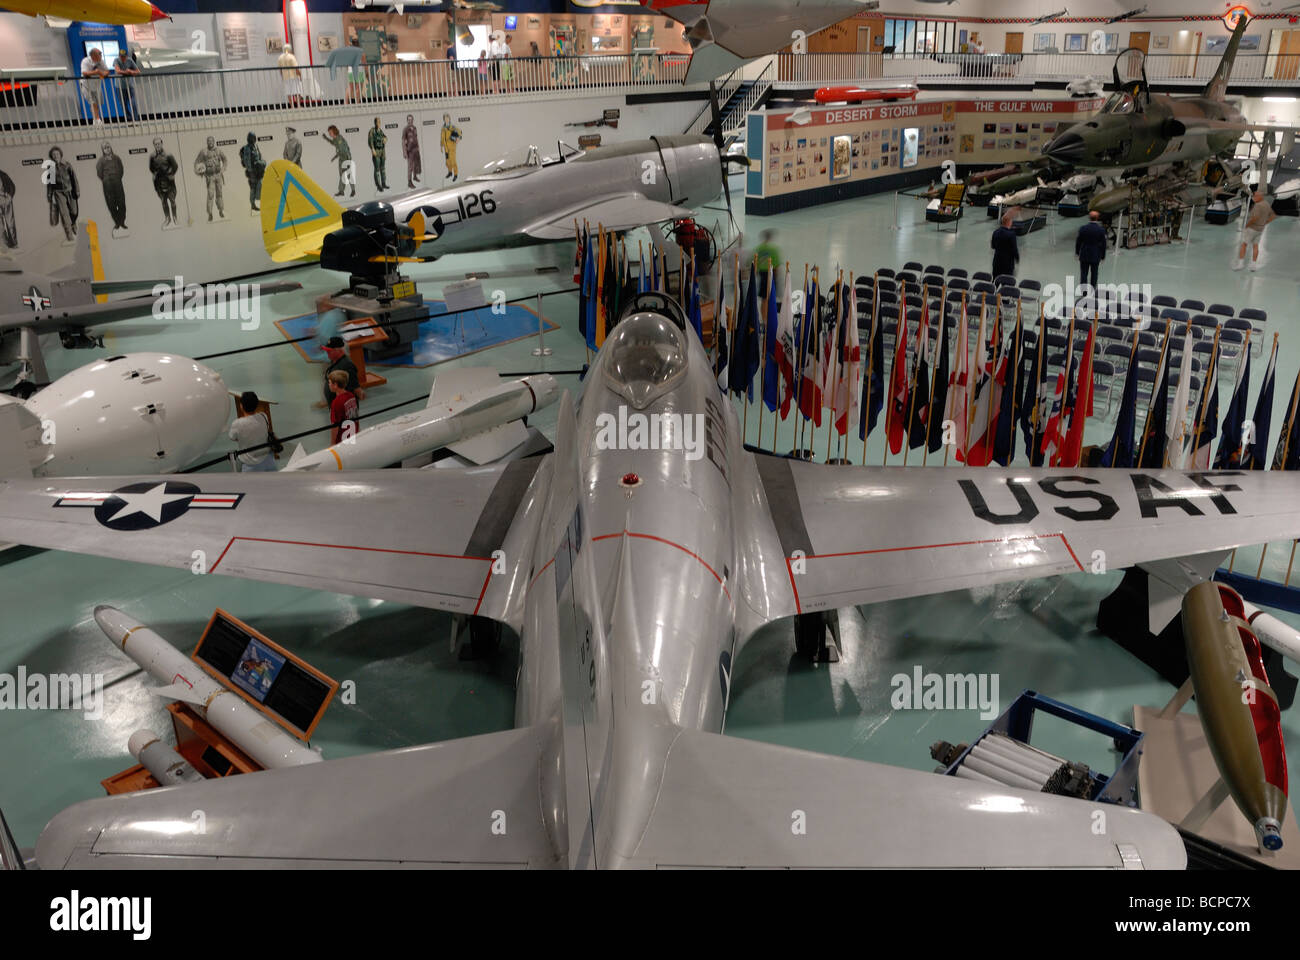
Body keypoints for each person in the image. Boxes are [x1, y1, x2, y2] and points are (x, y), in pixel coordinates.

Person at [230, 391, 277, 472]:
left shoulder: (237, 424)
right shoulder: (263, 416)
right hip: (268, 459)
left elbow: (232, 437)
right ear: (256, 404)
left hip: (250, 464)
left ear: (241, 406)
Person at [316, 335, 363, 408]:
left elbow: (356, 388)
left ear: (339, 350)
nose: (327, 353)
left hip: (344, 408)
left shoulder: (347, 365)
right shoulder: (334, 361)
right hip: (336, 406)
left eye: (329, 351)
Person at [1235, 191, 1276, 271]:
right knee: (1255, 246)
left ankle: (1240, 264)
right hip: (1260, 229)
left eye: (1256, 196)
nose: (1254, 197)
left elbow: (1255, 217)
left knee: (1244, 244)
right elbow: (1273, 216)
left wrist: (1247, 225)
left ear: (1261, 197)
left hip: (1252, 228)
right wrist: (1265, 223)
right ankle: (1253, 266)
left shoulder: (1258, 205)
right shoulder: (1266, 204)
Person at [46, 146, 79, 240]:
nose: (56, 156)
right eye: (53, 155)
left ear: (60, 154)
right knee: (64, 214)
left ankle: (73, 223)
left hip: (70, 190)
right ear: (52, 157)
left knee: (74, 211)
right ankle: (69, 234)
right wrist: (49, 194)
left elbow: (74, 179)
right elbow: (50, 184)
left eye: (57, 154)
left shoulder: (67, 165)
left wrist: (77, 190)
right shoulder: (51, 168)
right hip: (58, 193)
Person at [95, 141, 127, 232]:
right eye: (105, 148)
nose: (107, 149)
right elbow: (99, 173)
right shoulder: (101, 161)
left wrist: (116, 178)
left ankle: (122, 222)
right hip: (107, 185)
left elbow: (121, 170)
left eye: (108, 147)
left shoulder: (117, 158)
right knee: (111, 204)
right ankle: (117, 223)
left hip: (118, 183)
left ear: (111, 147)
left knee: (121, 202)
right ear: (103, 150)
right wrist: (106, 180)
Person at [194, 135, 226, 221]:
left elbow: (225, 160)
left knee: (219, 194)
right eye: (208, 141)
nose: (210, 142)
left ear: (214, 141)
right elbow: (197, 162)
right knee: (210, 195)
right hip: (210, 177)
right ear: (207, 142)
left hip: (218, 176)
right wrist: (199, 172)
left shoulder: (219, 151)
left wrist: (223, 170)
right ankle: (210, 213)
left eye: (211, 141)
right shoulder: (203, 152)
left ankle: (221, 210)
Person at [148, 137, 179, 227]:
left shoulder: (168, 154)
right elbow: (151, 168)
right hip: (159, 182)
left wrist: (171, 174)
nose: (157, 145)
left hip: (169, 181)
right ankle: (167, 219)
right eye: (155, 144)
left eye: (159, 143)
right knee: (163, 201)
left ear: (162, 144)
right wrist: (155, 174)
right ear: (154, 145)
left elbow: (175, 166)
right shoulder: (152, 156)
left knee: (172, 201)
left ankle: (175, 218)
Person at [1075, 210, 1107, 293]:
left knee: (1084, 273)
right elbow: (1103, 244)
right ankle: (1092, 291)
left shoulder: (1083, 229)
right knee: (1094, 274)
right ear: (1097, 218)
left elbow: (1078, 241)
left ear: (1089, 218)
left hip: (1084, 254)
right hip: (1095, 255)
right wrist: (1103, 256)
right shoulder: (1101, 230)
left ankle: (1084, 292)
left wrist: (1077, 252)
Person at [327, 369, 359, 445]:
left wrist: (332, 443)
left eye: (329, 382)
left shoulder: (336, 403)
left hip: (343, 441)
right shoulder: (351, 396)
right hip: (354, 435)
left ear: (335, 385)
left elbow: (335, 426)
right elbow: (356, 416)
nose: (328, 385)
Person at [79, 47, 110, 124]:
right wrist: (96, 72)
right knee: (92, 102)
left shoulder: (101, 61)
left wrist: (102, 73)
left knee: (98, 102)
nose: (101, 56)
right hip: (86, 85)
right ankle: (97, 119)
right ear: (93, 55)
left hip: (96, 85)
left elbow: (107, 71)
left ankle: (95, 119)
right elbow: (84, 73)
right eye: (99, 54)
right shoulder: (85, 61)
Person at [323, 125, 354, 197]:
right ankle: (341, 191)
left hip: (346, 158)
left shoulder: (339, 139)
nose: (329, 134)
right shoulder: (335, 139)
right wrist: (326, 138)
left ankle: (353, 190)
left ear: (334, 131)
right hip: (341, 159)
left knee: (348, 175)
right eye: (329, 133)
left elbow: (343, 150)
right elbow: (332, 143)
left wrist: (335, 157)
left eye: (330, 132)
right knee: (342, 176)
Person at [112, 48, 142, 121]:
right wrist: (128, 72)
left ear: (126, 56)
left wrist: (131, 71)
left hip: (129, 86)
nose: (122, 58)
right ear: (119, 56)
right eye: (121, 56)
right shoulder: (116, 60)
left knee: (133, 103)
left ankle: (136, 119)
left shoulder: (130, 60)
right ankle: (129, 118)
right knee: (123, 105)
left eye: (124, 56)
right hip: (119, 87)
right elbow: (118, 71)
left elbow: (138, 71)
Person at [239, 131, 264, 212]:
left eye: (254, 137)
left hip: (258, 170)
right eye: (252, 137)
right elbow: (247, 161)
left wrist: (261, 164)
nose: (254, 139)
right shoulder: (247, 148)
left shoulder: (256, 146)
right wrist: (251, 171)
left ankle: (259, 202)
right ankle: (253, 205)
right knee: (253, 187)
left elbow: (259, 156)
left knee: (260, 185)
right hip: (252, 172)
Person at [754, 228, 782, 299]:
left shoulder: (759, 248)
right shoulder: (773, 249)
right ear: (770, 237)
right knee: (771, 297)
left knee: (764, 298)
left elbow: (754, 262)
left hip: (762, 274)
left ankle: (764, 310)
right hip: (771, 273)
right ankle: (769, 310)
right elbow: (776, 265)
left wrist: (757, 272)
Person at [990, 211, 1019, 280]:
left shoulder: (995, 232)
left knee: (995, 281)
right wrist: (1017, 258)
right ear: (1008, 222)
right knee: (1007, 282)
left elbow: (993, 246)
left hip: (997, 261)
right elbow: (1014, 249)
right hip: (1007, 264)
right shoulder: (1011, 234)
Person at [367, 117, 388, 191]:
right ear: (375, 123)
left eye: (379, 122)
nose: (378, 123)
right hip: (376, 151)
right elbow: (370, 140)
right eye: (377, 122)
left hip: (382, 151)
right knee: (377, 169)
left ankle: (383, 183)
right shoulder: (372, 131)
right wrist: (372, 149)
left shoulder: (380, 131)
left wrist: (385, 139)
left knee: (383, 168)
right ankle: (378, 185)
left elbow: (385, 137)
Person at [401, 114, 421, 188]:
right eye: (409, 120)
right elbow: (403, 141)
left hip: (416, 149)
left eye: (411, 120)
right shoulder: (405, 129)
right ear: (407, 120)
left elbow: (416, 138)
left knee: (416, 164)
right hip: (410, 150)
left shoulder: (414, 128)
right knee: (410, 166)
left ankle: (415, 176)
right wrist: (404, 152)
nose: (410, 121)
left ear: (413, 120)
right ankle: (409, 182)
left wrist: (418, 147)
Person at [441, 113, 461, 182]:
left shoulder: (452, 127)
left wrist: (458, 138)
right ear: (443, 119)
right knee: (447, 162)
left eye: (447, 118)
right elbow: (442, 137)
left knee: (453, 161)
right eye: (445, 118)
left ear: (449, 119)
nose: (446, 119)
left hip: (452, 147)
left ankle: (455, 174)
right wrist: (441, 145)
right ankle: (450, 172)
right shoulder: (443, 128)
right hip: (446, 148)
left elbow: (459, 132)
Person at [0, 169, 15, 248]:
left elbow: (12, 186)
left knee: (10, 223)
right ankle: (5, 246)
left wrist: (9, 197)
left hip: (6, 200)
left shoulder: (3, 174)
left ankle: (14, 245)